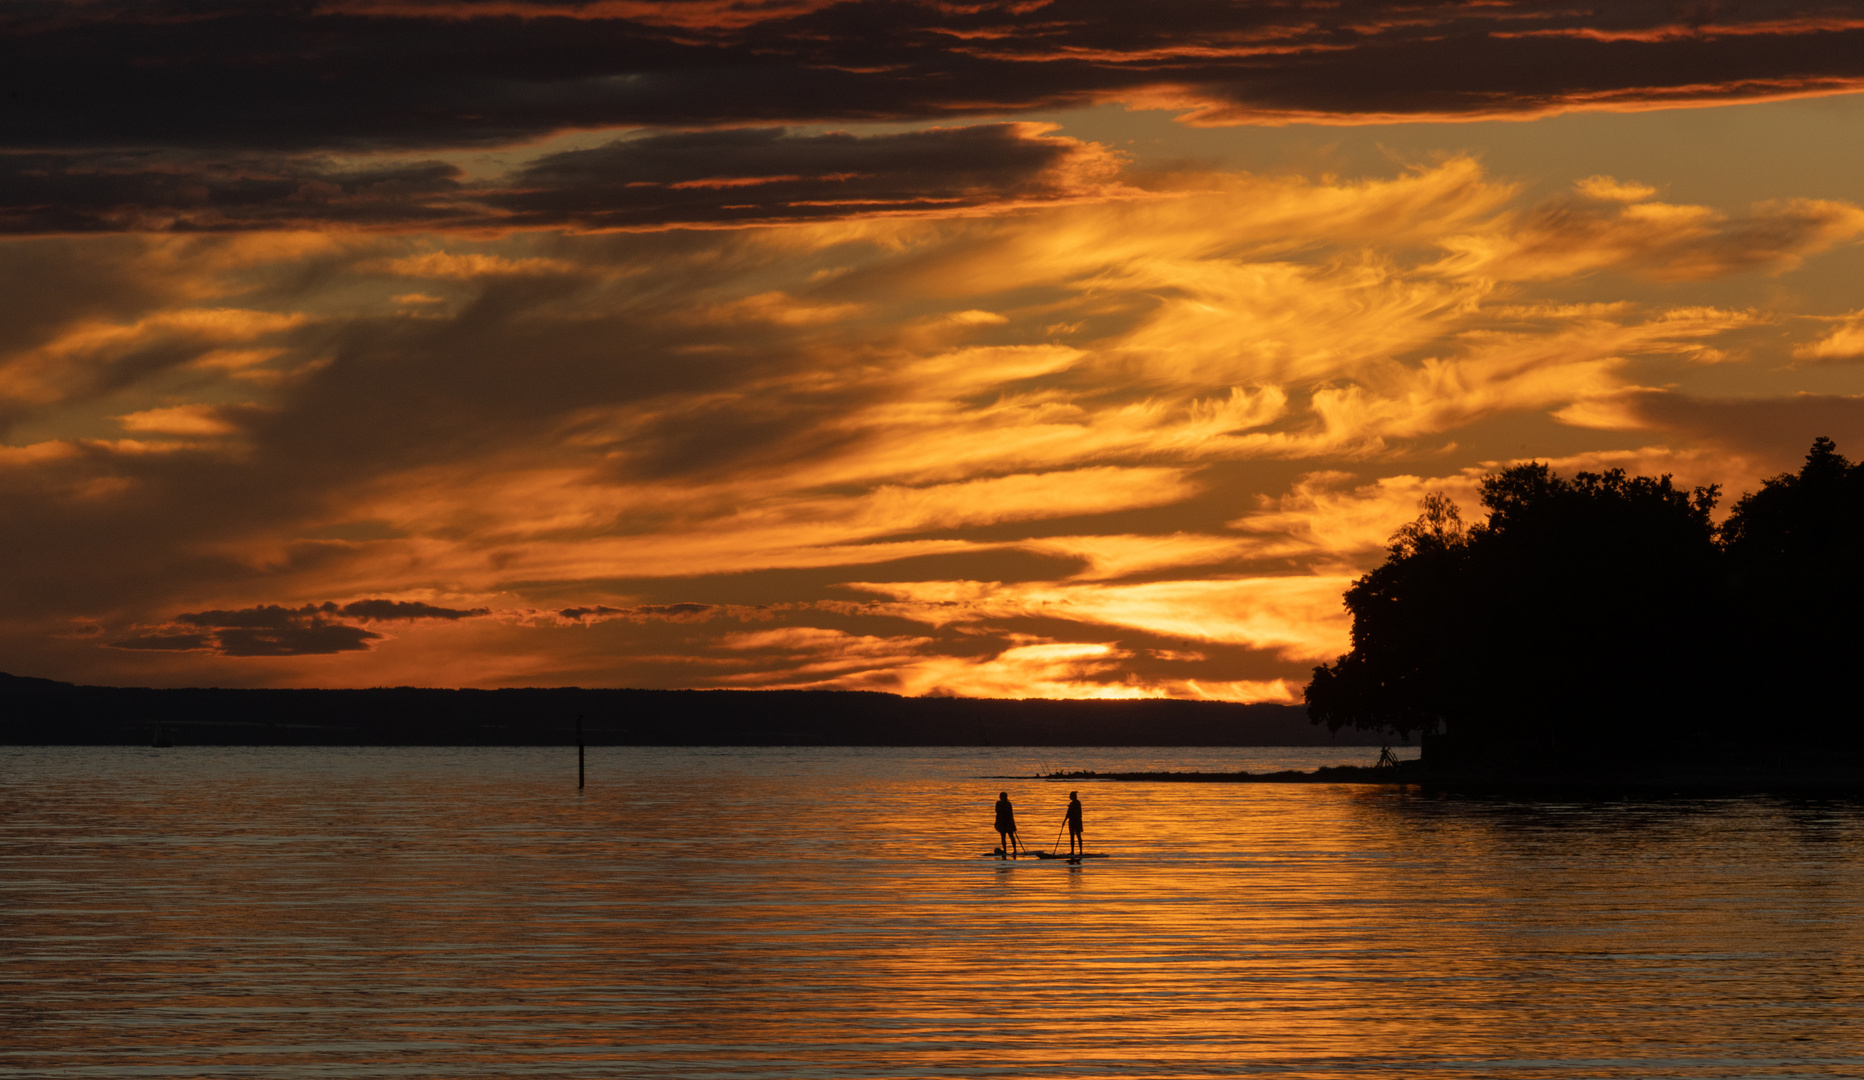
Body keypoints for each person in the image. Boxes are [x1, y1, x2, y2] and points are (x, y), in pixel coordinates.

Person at [993, 791, 1020, 858]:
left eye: (1003, 796)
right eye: (1001, 796)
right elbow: (997, 811)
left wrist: (1012, 823)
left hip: (1008, 822)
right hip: (1001, 822)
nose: (1001, 798)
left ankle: (1014, 850)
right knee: (1003, 836)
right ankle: (1005, 850)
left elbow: (1010, 814)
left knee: (1011, 836)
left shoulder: (1008, 804)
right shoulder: (998, 803)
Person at [1065, 791, 1084, 856]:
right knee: (1072, 836)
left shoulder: (1077, 803)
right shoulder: (1071, 803)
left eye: (1070, 795)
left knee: (1078, 835)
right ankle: (1072, 851)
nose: (1069, 797)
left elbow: (1076, 811)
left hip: (1077, 821)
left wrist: (1071, 807)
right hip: (1071, 821)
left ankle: (1081, 851)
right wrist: (1064, 821)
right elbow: (1068, 813)